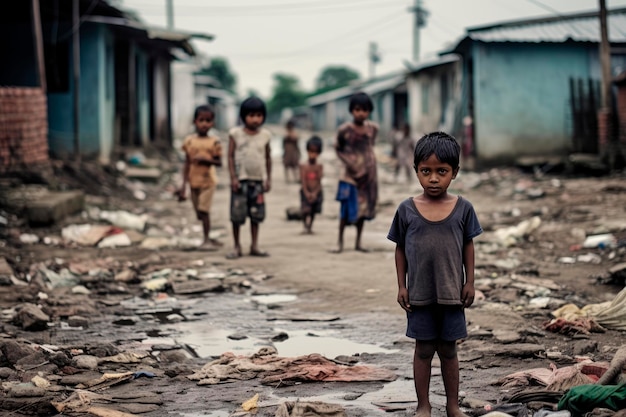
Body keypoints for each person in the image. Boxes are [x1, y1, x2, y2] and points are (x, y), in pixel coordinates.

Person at [387, 131, 483, 417]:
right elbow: (400, 249)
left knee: (450, 350)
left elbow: (468, 245)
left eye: (441, 171)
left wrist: (470, 282)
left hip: (452, 293)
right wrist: (401, 286)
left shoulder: (463, 208)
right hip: (419, 294)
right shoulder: (406, 209)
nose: (433, 178)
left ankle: (453, 406)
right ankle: (423, 406)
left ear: (454, 173)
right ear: (416, 169)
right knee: (424, 350)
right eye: (425, 171)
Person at [226, 96, 272, 259]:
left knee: (256, 215)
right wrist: (233, 177)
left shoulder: (265, 135)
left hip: (258, 181)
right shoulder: (235, 134)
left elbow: (267, 158)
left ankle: (254, 245)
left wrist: (268, 179)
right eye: (251, 115)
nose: (255, 119)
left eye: (259, 115)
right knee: (237, 216)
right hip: (241, 180)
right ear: (243, 116)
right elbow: (230, 156)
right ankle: (237, 246)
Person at [333, 92, 378, 253]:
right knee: (346, 208)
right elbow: (337, 148)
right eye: (358, 109)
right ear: (352, 110)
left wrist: (367, 167)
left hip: (367, 175)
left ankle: (358, 242)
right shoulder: (345, 129)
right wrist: (349, 163)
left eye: (365, 110)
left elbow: (369, 148)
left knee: (363, 209)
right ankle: (340, 242)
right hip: (350, 175)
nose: (361, 113)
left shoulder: (372, 128)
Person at [178, 104, 223, 251]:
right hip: (193, 182)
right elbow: (187, 163)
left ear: (213, 123)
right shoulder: (189, 141)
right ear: (195, 122)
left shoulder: (214, 142)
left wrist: (206, 160)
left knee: (204, 211)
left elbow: (219, 162)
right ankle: (209, 236)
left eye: (208, 121)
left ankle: (206, 239)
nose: (204, 124)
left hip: (208, 181)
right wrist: (183, 185)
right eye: (201, 120)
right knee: (198, 213)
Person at [299, 136, 323, 234]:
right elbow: (303, 180)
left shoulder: (319, 166)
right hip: (305, 190)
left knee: (313, 211)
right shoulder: (303, 165)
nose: (312, 155)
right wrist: (307, 192)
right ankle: (305, 225)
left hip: (316, 191)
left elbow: (319, 180)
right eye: (310, 152)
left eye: (315, 152)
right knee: (305, 210)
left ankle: (310, 226)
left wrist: (315, 193)